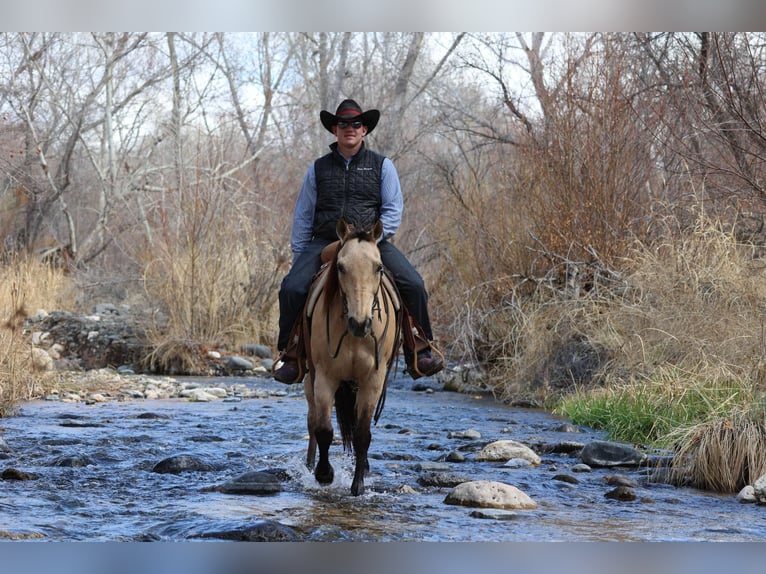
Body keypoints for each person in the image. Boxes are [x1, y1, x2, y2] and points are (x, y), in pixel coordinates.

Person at [273, 98, 444, 384]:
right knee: (291, 288)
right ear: (334, 130)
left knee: (413, 283)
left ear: (364, 129)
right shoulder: (317, 169)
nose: (349, 128)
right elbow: (303, 216)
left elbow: (392, 210)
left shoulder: (383, 166)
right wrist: (301, 256)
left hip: (371, 242)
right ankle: (291, 354)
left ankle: (420, 348)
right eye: (343, 124)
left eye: (355, 124)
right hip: (326, 242)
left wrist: (372, 239)